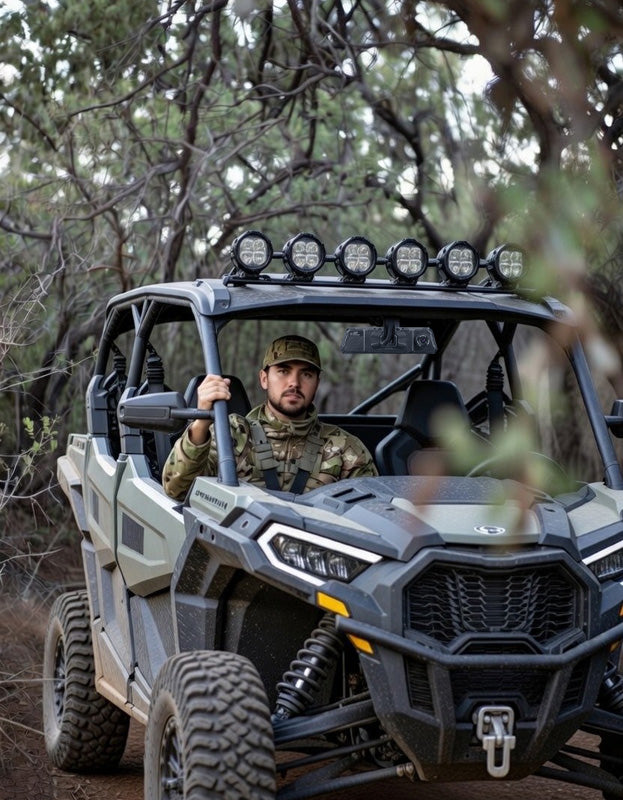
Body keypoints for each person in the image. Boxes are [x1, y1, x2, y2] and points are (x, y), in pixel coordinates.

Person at [162, 335, 378, 499]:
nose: (294, 382)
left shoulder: (344, 447)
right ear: (264, 379)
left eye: (306, 374)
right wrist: (202, 421)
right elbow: (177, 490)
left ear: (317, 384)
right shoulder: (232, 434)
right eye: (283, 371)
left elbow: (370, 514)